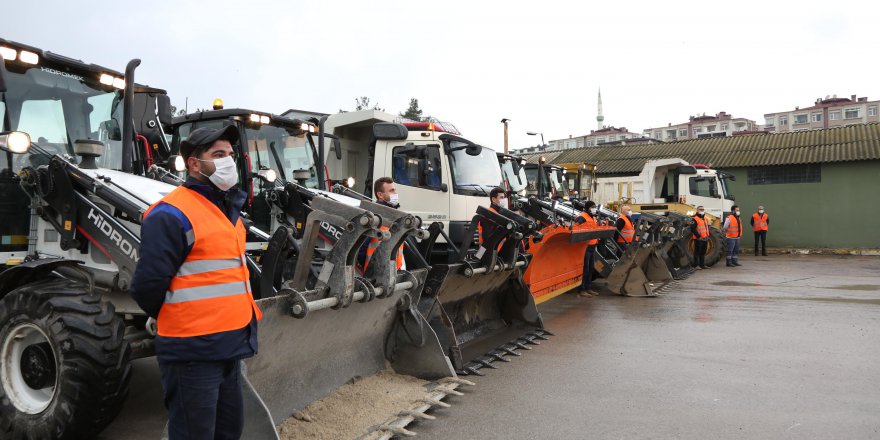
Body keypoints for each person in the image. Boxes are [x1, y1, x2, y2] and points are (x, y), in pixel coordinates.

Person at [130, 126, 262, 440]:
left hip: (229, 347)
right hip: (193, 353)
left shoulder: (228, 213)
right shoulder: (170, 214)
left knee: (228, 431)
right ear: (194, 164)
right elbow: (147, 287)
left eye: (230, 155)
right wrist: (183, 319)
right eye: (218, 155)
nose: (228, 161)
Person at [365, 177, 405, 271]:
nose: (395, 194)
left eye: (395, 190)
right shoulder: (374, 218)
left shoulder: (394, 217)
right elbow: (361, 249)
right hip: (375, 273)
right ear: (380, 195)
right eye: (391, 191)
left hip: (393, 272)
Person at [574, 200, 601, 297]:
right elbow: (574, 228)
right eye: (592, 207)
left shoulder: (593, 217)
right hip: (584, 247)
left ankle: (588, 288)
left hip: (592, 246)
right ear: (587, 208)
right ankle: (581, 290)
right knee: (584, 269)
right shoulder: (582, 217)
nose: (594, 209)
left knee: (590, 269)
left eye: (594, 207)